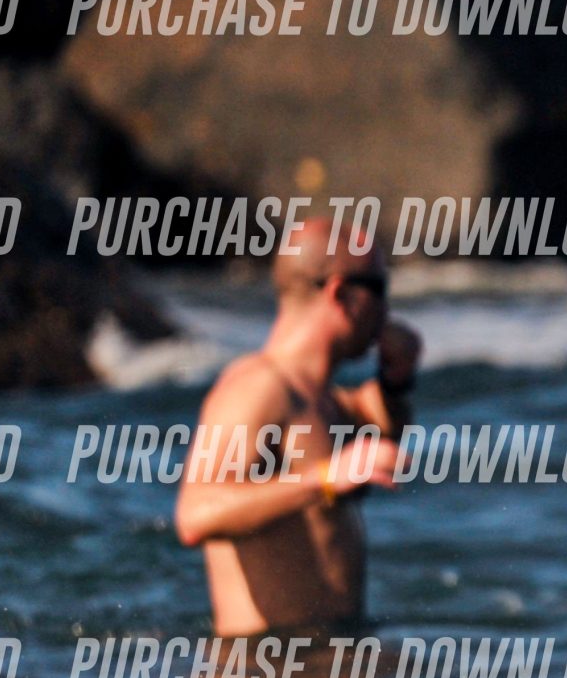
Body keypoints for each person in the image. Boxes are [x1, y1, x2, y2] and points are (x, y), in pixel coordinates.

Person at [177, 217, 419, 636]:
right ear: (340, 294)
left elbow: (385, 437)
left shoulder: (323, 400)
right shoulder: (259, 387)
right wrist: (325, 477)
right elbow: (196, 515)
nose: (387, 312)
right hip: (264, 664)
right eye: (379, 289)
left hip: (327, 652)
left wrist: (396, 379)